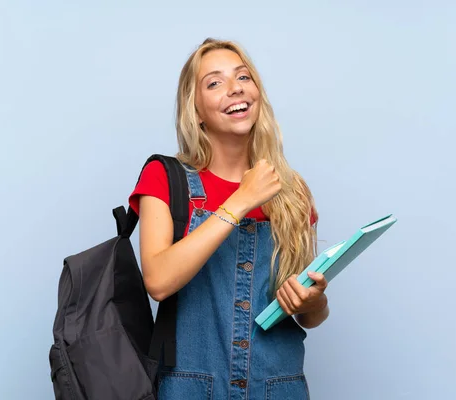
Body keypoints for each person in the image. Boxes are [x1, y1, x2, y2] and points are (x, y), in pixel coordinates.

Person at [129, 38, 329, 400]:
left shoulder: (291, 191)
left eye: (243, 77)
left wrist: (313, 302)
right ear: (196, 110)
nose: (235, 88)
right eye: (215, 82)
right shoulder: (165, 177)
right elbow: (157, 282)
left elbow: (307, 317)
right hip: (189, 388)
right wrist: (241, 200)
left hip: (278, 387)